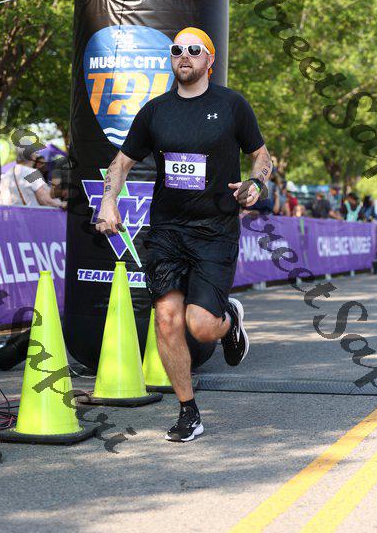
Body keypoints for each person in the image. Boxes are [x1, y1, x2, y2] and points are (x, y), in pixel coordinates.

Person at [96, 26, 273, 442]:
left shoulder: (232, 105)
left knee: (202, 327)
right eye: (177, 50)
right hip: (167, 230)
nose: (185, 56)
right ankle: (188, 411)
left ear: (210, 59)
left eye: (194, 49)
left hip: (215, 229)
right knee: (167, 318)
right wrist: (108, 200)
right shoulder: (155, 111)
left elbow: (262, 155)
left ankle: (229, 320)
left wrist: (257, 183)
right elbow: (121, 162)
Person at [0, 148, 67, 208]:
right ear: (32, 157)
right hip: (28, 216)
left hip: (9, 216)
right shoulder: (31, 173)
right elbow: (45, 200)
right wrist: (61, 204)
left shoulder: (7, 175)